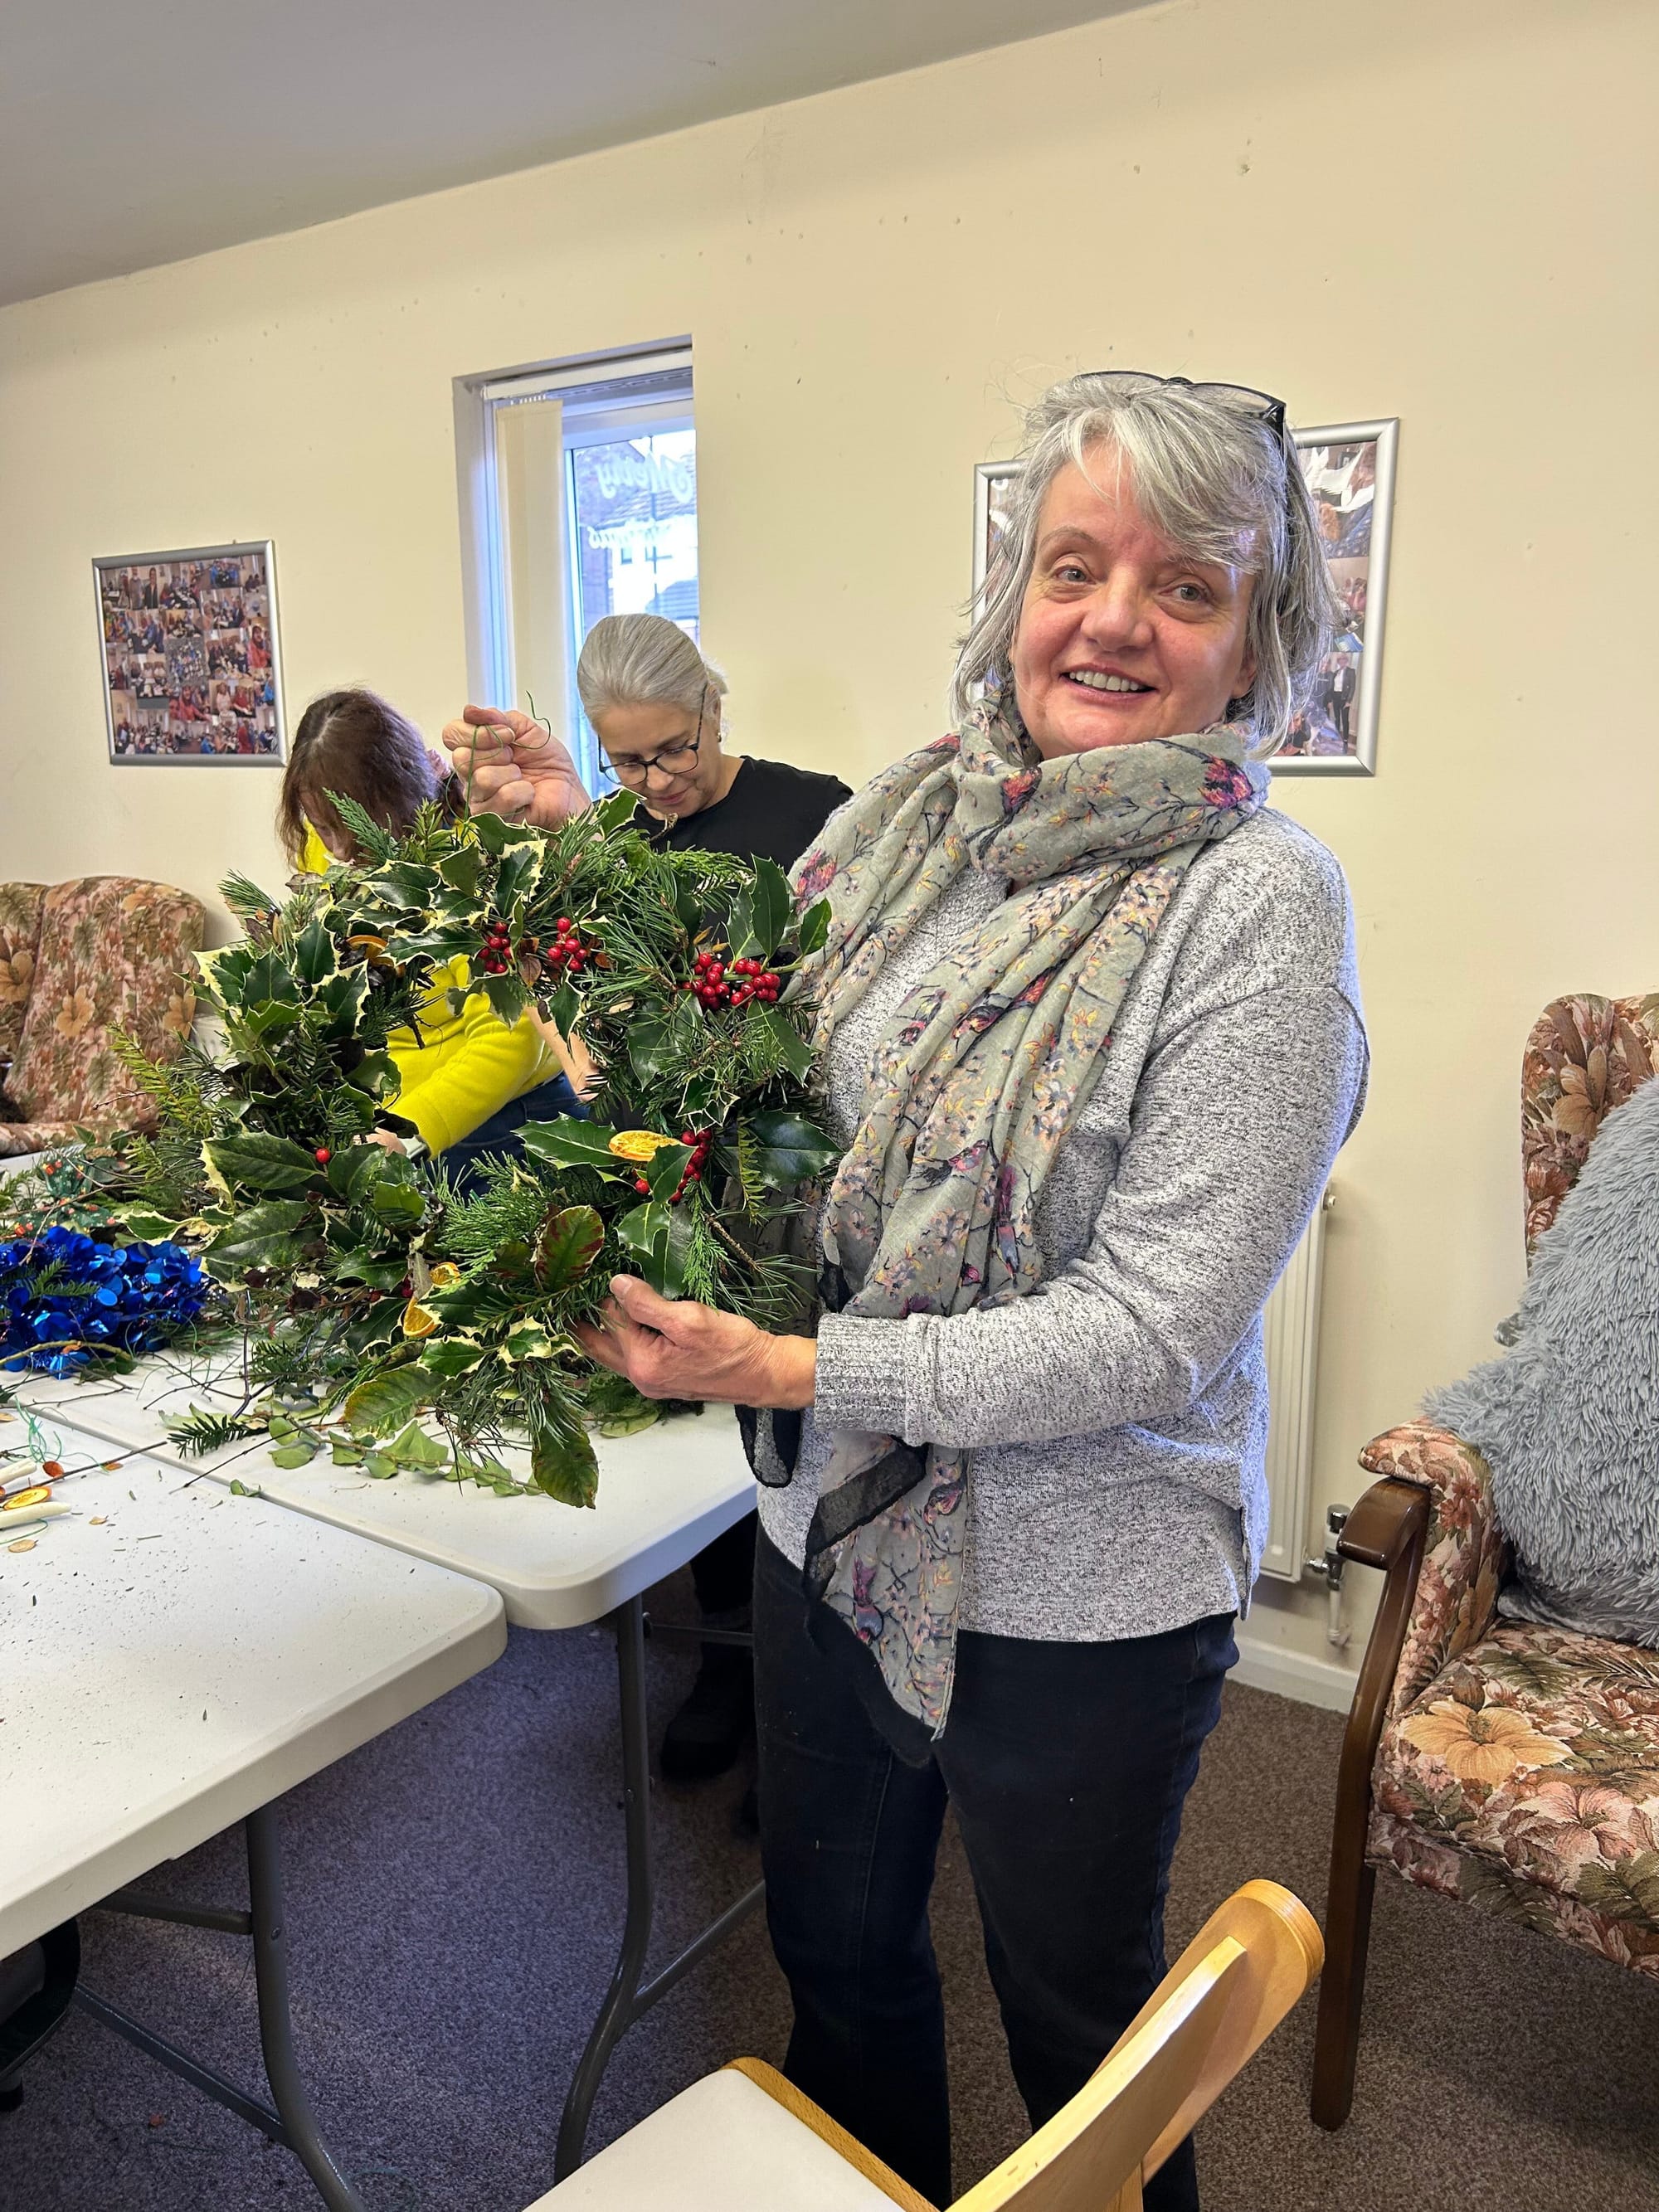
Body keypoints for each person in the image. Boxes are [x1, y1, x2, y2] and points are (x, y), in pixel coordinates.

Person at [571, 372, 1369, 2210]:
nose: (1112, 619)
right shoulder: (900, 824)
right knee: (838, 1959)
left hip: (1080, 1589)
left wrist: (796, 1363)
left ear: (1255, 642)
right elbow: (739, 1072)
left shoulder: (1261, 907)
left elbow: (1151, 1328)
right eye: (1073, 566)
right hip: (826, 1533)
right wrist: (577, 904)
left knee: (1080, 2029)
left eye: (1184, 584)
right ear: (1014, 594)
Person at [441, 614, 851, 1789]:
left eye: (674, 748)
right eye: (627, 760)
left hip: (791, 1170)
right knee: (700, 1421)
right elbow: (576, 989)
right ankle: (724, 1666)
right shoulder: (611, 831)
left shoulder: (817, 811)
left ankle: (810, 1703)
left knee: (799, 1432)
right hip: (669, 1171)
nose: (657, 780)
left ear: (714, 704)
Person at [278, 688, 579, 1180]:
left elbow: (511, 1042)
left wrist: (407, 1131)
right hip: (402, 1118)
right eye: (323, 827)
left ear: (401, 797)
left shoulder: (470, 875)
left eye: (354, 826)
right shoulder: (332, 863)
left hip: (500, 1121)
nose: (340, 849)